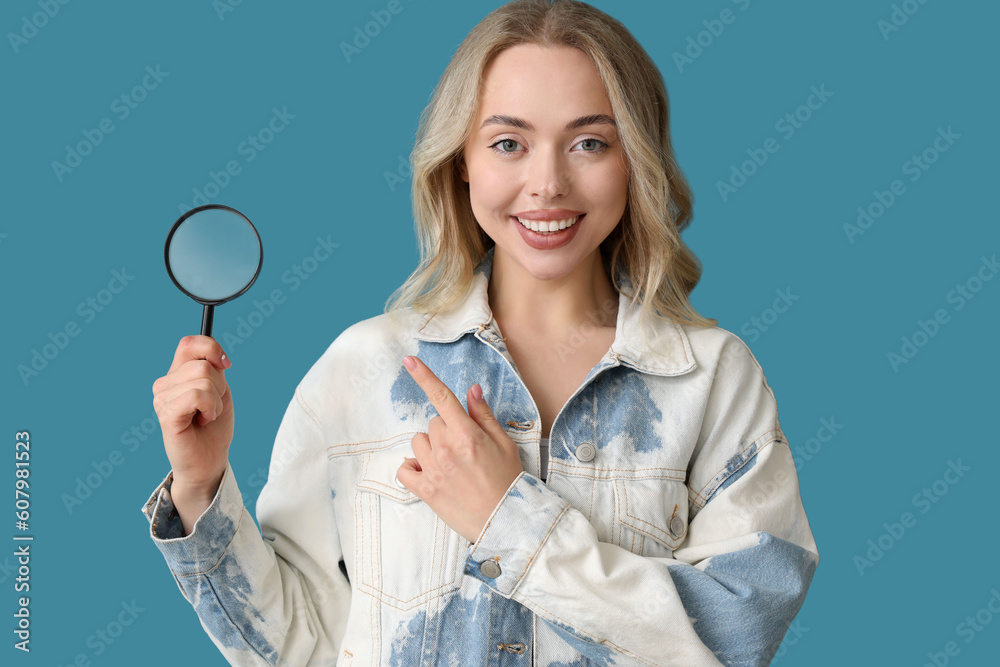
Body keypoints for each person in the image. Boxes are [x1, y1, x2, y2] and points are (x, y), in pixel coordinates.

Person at [142, 1, 819, 664]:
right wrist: (200, 487)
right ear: (462, 160)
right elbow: (300, 645)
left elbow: (734, 641)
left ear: (634, 157)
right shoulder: (365, 367)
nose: (547, 182)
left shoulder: (713, 378)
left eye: (590, 142)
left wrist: (509, 522)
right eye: (508, 143)